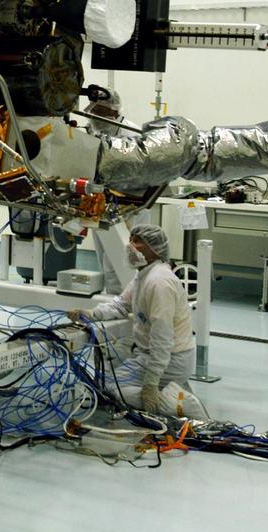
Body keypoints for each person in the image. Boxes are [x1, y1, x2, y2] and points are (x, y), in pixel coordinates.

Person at [67, 223, 198, 414]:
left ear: (155, 249)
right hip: (154, 355)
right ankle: (172, 391)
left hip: (171, 359)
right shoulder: (144, 275)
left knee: (109, 388)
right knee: (110, 380)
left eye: (137, 242)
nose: (129, 245)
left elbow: (162, 338)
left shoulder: (159, 282)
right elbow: (121, 304)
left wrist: (151, 383)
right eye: (131, 239)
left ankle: (172, 404)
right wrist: (91, 313)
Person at [83, 90, 136, 294]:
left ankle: (123, 298)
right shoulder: (92, 130)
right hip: (101, 202)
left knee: (124, 256)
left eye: (100, 111)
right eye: (93, 110)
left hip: (129, 206)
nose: (94, 115)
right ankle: (113, 298)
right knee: (104, 255)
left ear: (113, 111)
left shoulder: (130, 133)